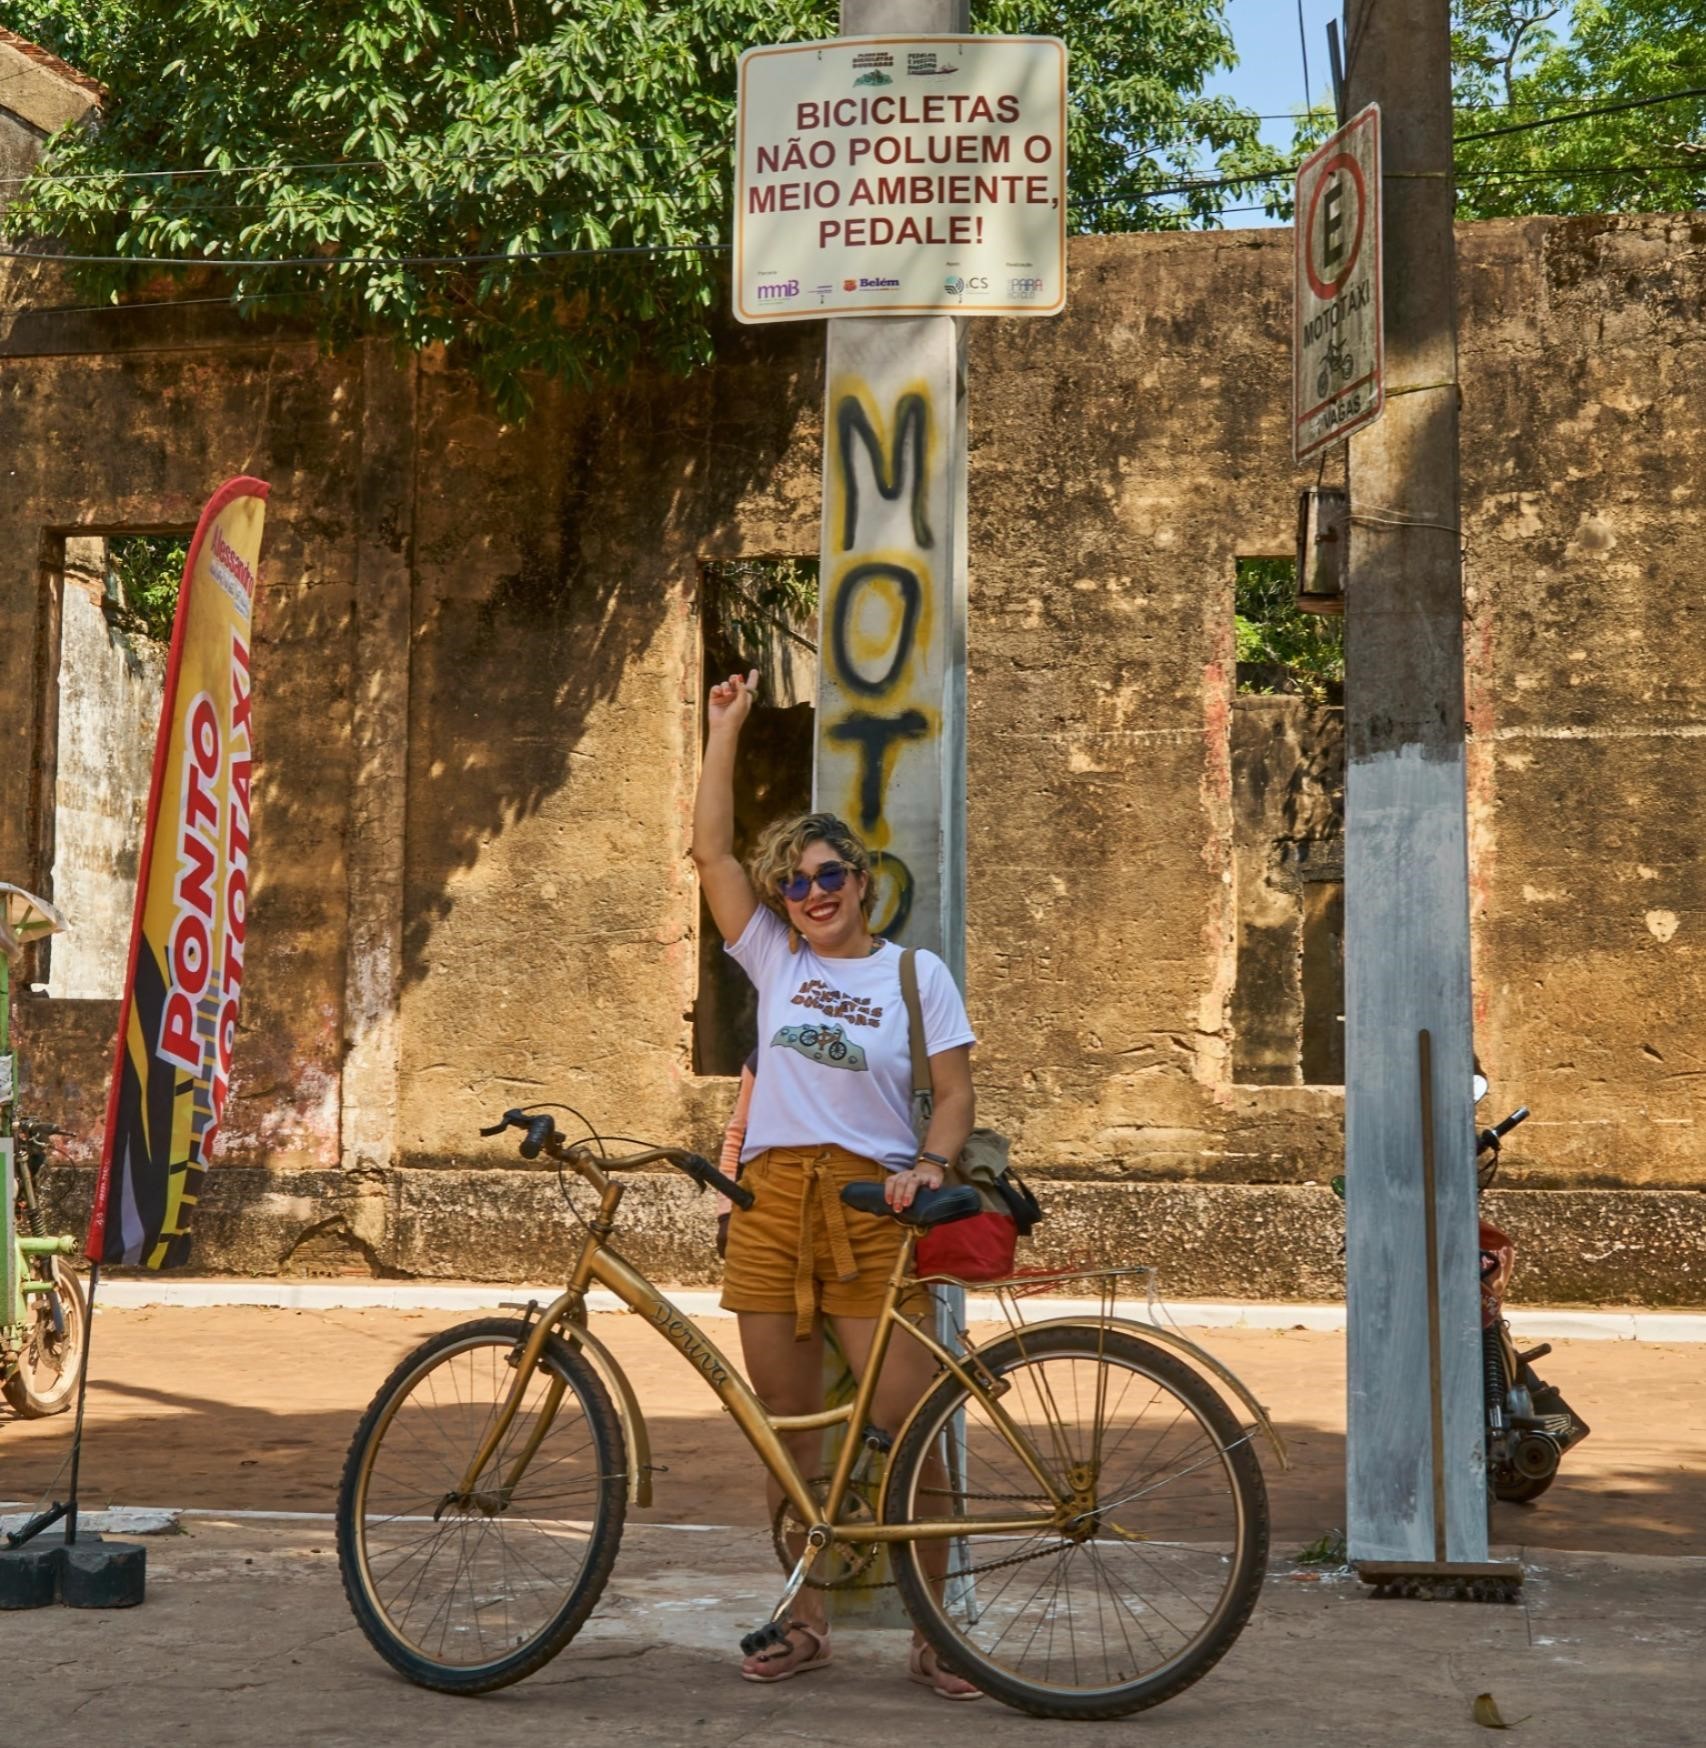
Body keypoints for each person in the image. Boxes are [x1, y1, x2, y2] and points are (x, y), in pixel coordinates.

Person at [691, 668, 981, 1700]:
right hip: (770, 1208)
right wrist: (725, 724)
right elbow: (710, 851)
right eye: (794, 885)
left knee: (910, 1430)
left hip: (871, 1209)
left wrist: (931, 1163)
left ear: (859, 878)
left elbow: (951, 1095)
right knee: (789, 1436)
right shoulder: (772, 957)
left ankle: (940, 1629)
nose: (809, 894)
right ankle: (804, 1619)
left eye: (825, 876)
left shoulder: (914, 974)